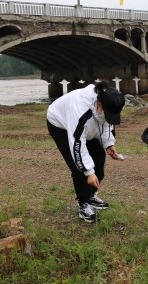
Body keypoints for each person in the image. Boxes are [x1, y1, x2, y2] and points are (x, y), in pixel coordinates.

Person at [47, 81, 126, 223]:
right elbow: (77, 145)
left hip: (85, 125)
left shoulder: (106, 102)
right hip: (60, 124)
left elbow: (107, 123)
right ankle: (83, 204)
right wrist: (89, 172)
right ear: (99, 104)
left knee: (99, 156)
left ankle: (91, 196)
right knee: (79, 168)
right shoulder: (80, 110)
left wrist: (109, 144)